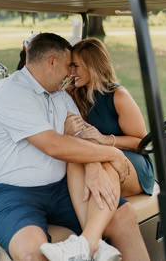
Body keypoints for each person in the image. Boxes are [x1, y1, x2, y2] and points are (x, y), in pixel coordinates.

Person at [0, 33, 149, 261]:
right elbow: (54, 146)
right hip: (11, 192)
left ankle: (90, 243)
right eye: (69, 65)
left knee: (122, 215)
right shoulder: (11, 92)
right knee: (31, 252)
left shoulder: (61, 96)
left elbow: (83, 136)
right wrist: (112, 153)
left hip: (60, 189)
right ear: (52, 61)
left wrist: (94, 167)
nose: (71, 73)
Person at [66, 37, 155, 200]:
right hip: (93, 157)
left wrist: (105, 140)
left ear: (91, 66)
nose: (71, 72)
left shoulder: (118, 96)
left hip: (131, 161)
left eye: (75, 66)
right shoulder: (71, 94)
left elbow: (141, 142)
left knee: (105, 164)